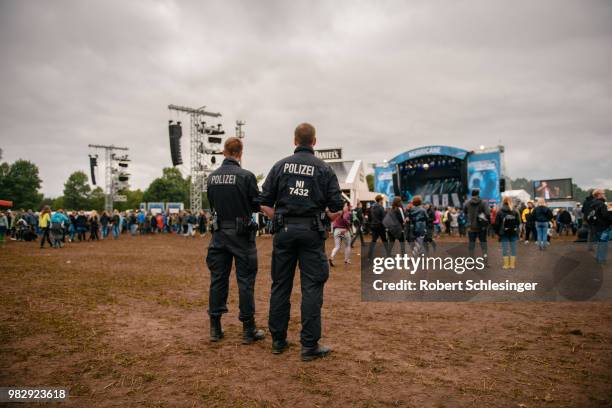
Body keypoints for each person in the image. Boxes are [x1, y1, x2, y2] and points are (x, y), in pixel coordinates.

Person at [260, 122, 343, 361]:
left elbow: (264, 201)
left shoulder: (280, 166)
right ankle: (309, 346)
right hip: (311, 232)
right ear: (314, 142)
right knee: (312, 287)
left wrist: (279, 218)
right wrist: (327, 215)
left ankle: (278, 341)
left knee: (280, 285)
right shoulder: (324, 169)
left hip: (284, 231)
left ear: (295, 141)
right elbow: (336, 208)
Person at [206, 137, 264, 345]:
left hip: (219, 234)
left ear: (224, 152)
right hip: (241, 235)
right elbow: (257, 205)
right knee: (245, 283)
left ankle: (215, 328)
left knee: (218, 280)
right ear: (240, 153)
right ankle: (248, 330)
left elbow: (212, 204)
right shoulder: (246, 176)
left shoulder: (211, 178)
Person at [463, 189, 490, 263]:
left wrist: (469, 219)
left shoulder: (467, 203)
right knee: (483, 246)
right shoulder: (483, 203)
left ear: (472, 194)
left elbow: (464, 212)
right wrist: (487, 222)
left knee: (471, 245)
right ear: (478, 194)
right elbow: (488, 214)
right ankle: (485, 261)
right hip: (481, 227)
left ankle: (471, 261)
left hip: (471, 227)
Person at [495, 196, 520, 269]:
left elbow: (497, 223)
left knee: (505, 248)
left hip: (504, 233)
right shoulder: (515, 211)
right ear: (511, 202)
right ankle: (512, 265)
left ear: (503, 202)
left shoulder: (500, 211)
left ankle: (506, 265)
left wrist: (497, 232)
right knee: (513, 248)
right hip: (513, 232)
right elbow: (518, 222)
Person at [589, 189, 612, 264]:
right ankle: (601, 259)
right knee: (604, 243)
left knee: (600, 242)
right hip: (603, 227)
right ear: (598, 195)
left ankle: (598, 257)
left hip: (596, 227)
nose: (604, 195)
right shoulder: (602, 204)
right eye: (603, 193)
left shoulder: (592, 204)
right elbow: (605, 215)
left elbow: (590, 216)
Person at [367, 194, 389, 260]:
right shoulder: (381, 207)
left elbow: (369, 217)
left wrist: (371, 223)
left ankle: (369, 255)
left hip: (373, 226)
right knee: (385, 241)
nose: (383, 200)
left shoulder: (372, 207)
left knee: (373, 241)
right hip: (381, 226)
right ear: (380, 200)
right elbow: (383, 218)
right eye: (382, 199)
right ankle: (388, 254)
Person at [329, 202, 352, 266]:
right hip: (344, 230)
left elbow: (333, 222)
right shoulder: (347, 213)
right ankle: (346, 260)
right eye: (349, 206)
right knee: (347, 246)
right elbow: (347, 222)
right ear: (346, 206)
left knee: (337, 246)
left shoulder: (337, 212)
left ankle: (332, 256)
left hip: (336, 230)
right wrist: (347, 229)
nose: (349, 207)